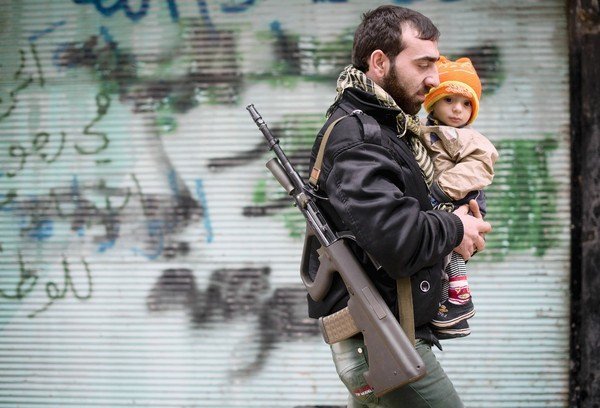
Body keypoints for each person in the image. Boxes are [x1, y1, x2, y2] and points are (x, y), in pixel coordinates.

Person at [305, 5, 491, 408]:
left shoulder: (390, 129)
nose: (434, 79)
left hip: (387, 333)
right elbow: (398, 239)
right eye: (423, 64)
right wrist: (455, 228)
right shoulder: (359, 137)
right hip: (386, 339)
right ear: (379, 62)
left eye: (436, 64)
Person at [419, 56, 499, 340]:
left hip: (461, 200)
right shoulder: (429, 131)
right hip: (446, 201)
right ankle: (445, 306)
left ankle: (460, 299)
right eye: (450, 100)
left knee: (452, 250)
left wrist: (441, 189)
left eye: (467, 104)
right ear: (433, 101)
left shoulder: (464, 136)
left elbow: (482, 164)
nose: (458, 109)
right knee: (441, 255)